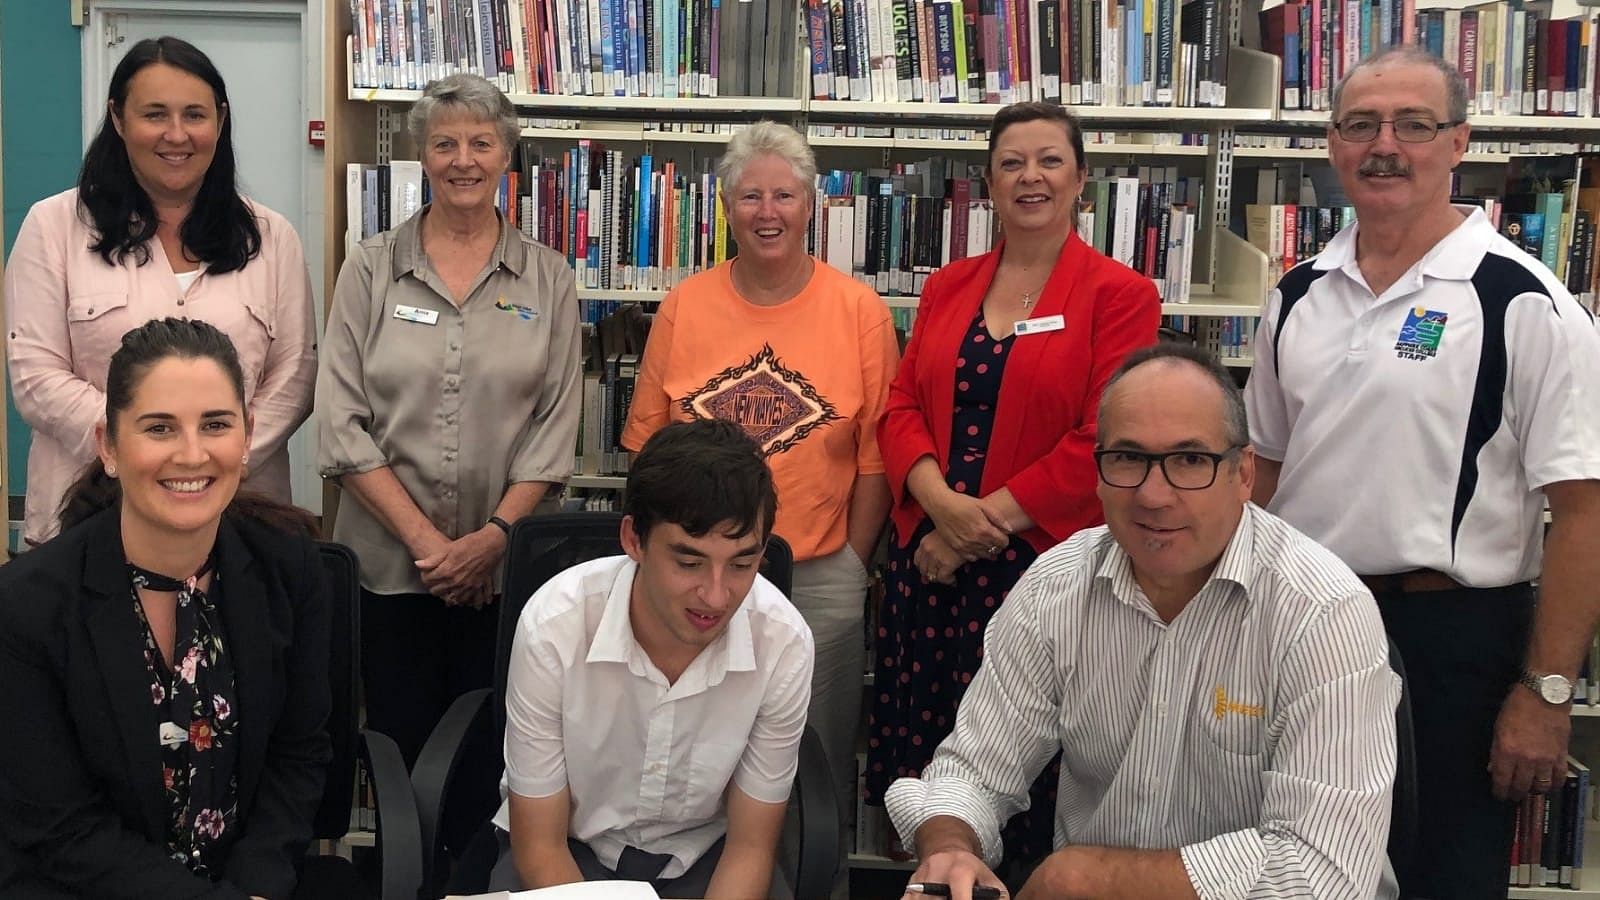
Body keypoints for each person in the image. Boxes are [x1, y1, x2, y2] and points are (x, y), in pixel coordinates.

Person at [1244, 46, 1600, 899]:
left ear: (1459, 142)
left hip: (1453, 647)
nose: (1385, 144)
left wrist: (1546, 692)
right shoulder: (1295, 294)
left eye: (1414, 124)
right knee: (1289, 867)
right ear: (1332, 144)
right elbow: (1259, 473)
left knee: (1441, 873)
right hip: (1303, 631)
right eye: (1361, 124)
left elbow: (1583, 512)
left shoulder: (1523, 300)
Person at [885, 343, 1401, 900]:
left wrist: (1085, 878)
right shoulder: (1057, 585)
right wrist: (950, 848)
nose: (1154, 496)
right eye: (1128, 459)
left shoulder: (1322, 612)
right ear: (1099, 474)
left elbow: (1321, 869)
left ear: (1245, 472)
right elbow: (976, 771)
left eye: (1189, 460)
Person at [867, 101, 1161, 862]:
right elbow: (900, 406)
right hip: (926, 567)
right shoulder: (947, 286)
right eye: (1011, 163)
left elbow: (1104, 438)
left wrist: (975, 527)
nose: (1030, 176)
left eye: (1049, 160)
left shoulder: (1119, 296)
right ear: (988, 185)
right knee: (929, 779)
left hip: (1041, 575)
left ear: (1081, 180)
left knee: (1027, 779)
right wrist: (938, 507)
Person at [620, 119, 900, 859]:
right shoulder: (685, 306)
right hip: (692, 575)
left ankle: (813, 882)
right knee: (692, 747)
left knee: (818, 759)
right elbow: (648, 449)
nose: (767, 212)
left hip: (817, 573)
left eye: (783, 194)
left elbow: (878, 459)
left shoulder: (861, 313)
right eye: (749, 196)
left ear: (813, 205)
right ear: (726, 208)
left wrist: (850, 560)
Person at [0, 318, 334, 899]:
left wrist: (255, 887)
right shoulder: (27, 605)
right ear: (108, 444)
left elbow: (297, 757)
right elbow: (59, 827)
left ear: (247, 435)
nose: (191, 453)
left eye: (216, 424)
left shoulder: (293, 571)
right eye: (159, 428)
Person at [317, 72, 583, 769]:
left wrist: (489, 543)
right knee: (398, 751)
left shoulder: (548, 278)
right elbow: (340, 426)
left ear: (505, 156)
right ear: (422, 156)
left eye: (480, 142)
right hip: (387, 571)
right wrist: (433, 548)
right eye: (444, 143)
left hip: (506, 572)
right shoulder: (370, 270)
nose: (463, 159)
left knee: (495, 758)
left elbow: (554, 432)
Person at [3, 35, 317, 548]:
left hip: (240, 521)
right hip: (88, 518)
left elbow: (294, 378)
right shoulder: (52, 227)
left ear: (220, 120)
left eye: (195, 114)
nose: (176, 135)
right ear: (119, 119)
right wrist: (142, 459)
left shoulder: (272, 236)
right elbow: (36, 377)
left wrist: (215, 462)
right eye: (154, 114)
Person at [487, 418, 815, 899]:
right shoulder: (555, 626)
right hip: (570, 849)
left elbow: (750, 848)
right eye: (688, 563)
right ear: (634, 541)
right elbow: (540, 846)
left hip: (706, 858)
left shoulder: (783, 643)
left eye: (743, 564)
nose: (717, 595)